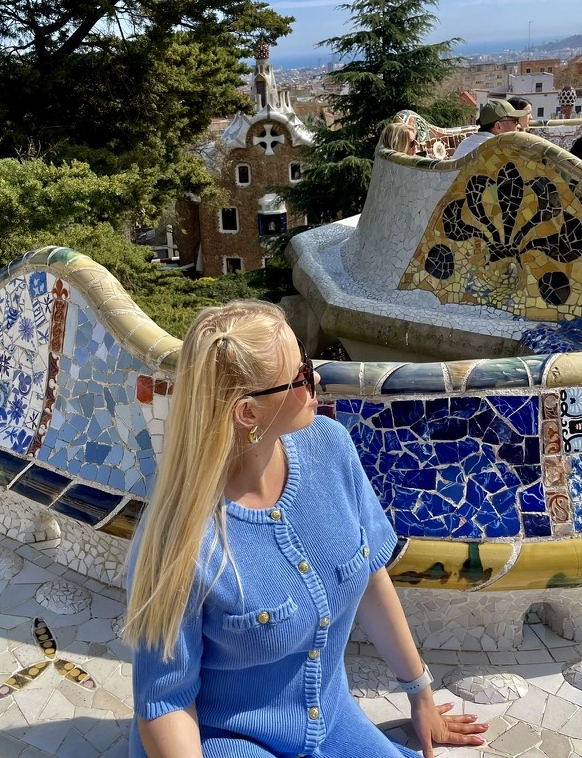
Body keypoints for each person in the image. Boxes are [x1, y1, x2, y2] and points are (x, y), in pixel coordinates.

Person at [125, 301, 488, 758]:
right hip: (223, 741)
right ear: (247, 414)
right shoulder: (179, 544)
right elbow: (165, 702)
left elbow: (369, 575)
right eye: (298, 377)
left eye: (307, 364)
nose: (313, 380)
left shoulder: (330, 446)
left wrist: (421, 695)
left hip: (331, 720)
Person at [452, 98, 529, 159]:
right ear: (498, 127)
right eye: (515, 121)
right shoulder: (499, 150)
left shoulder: (465, 143)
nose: (519, 126)